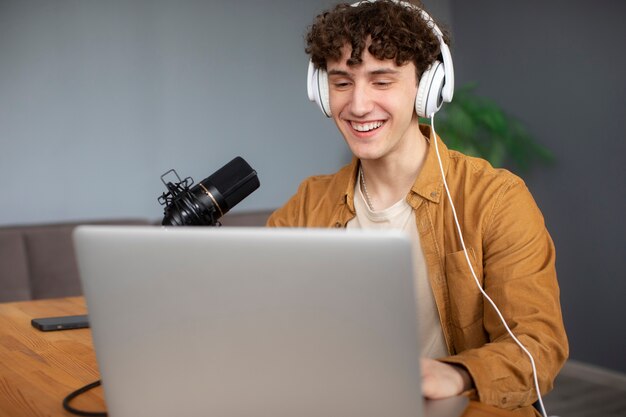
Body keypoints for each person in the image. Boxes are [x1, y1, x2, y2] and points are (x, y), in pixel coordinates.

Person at [267, 1, 568, 416]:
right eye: (341, 83)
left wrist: (458, 374)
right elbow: (266, 326)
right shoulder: (306, 205)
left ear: (428, 88)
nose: (357, 105)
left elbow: (538, 346)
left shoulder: (495, 199)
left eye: (382, 81)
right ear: (321, 91)